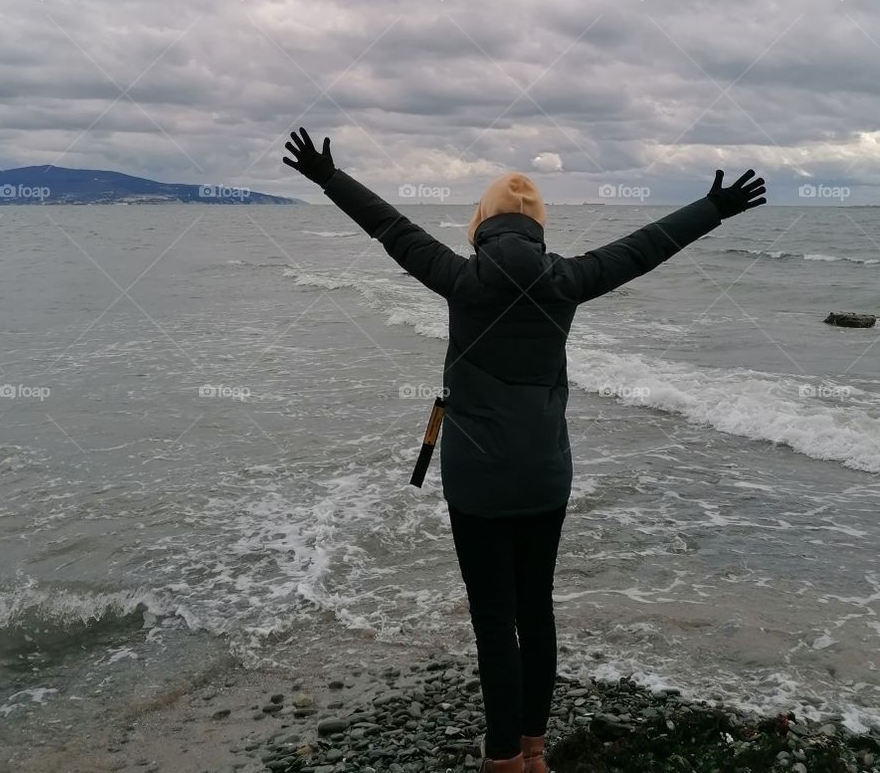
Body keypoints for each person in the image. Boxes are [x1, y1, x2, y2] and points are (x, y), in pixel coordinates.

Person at [282, 128, 766, 773]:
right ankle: (535, 752)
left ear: (478, 224)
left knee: (493, 621)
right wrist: (714, 208)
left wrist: (327, 177)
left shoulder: (459, 277)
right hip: (545, 475)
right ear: (540, 231)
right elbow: (644, 248)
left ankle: (503, 758)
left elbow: (391, 228)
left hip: (477, 479)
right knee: (536, 613)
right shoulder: (567, 280)